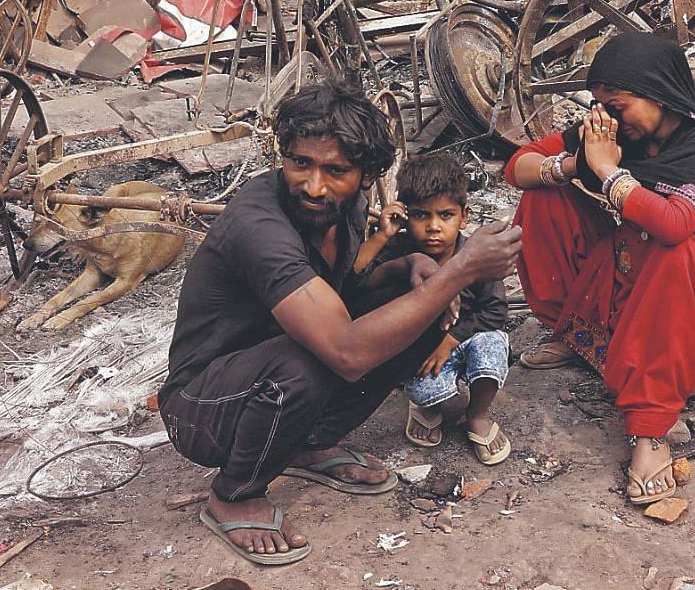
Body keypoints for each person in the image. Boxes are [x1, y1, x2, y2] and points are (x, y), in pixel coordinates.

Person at [160, 80, 522, 565]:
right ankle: (235, 493)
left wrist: (405, 266)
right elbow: (345, 352)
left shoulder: (345, 208)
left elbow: (341, 298)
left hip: (270, 372)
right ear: (281, 155)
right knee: (306, 361)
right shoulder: (259, 225)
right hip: (200, 408)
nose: (314, 186)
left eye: (336, 170)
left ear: (368, 175)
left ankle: (306, 445)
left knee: (423, 299)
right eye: (300, 163)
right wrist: (462, 268)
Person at [503, 33, 695, 506]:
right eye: (599, 107)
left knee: (672, 247)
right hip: (631, 275)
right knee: (545, 196)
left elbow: (673, 222)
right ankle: (575, 331)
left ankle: (652, 429)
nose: (607, 119)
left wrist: (604, 170)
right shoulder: (612, 132)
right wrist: (568, 166)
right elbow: (517, 165)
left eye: (617, 107)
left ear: (659, 94)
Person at [356, 155, 512, 465]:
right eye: (420, 215)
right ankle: (426, 407)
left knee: (492, 345)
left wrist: (451, 340)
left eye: (445, 215)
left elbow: (495, 312)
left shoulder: (475, 254)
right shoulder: (398, 250)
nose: (433, 227)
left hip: (463, 339)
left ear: (464, 217)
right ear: (405, 215)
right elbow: (357, 279)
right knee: (427, 391)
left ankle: (477, 415)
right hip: (418, 349)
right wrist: (382, 234)